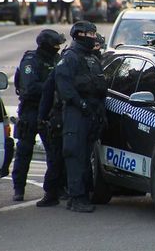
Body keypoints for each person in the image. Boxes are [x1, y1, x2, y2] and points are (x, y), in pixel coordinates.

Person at [55, 21, 107, 213]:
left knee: (85, 156)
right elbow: (65, 88)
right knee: (75, 155)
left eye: (94, 33)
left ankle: (82, 195)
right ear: (79, 35)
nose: (93, 36)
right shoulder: (70, 57)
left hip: (91, 113)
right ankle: (76, 198)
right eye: (90, 33)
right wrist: (82, 105)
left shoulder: (91, 58)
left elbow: (100, 86)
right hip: (76, 113)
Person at [12, 29, 66, 201]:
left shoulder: (57, 60)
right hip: (30, 111)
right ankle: (18, 189)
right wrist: (51, 88)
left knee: (54, 152)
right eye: (55, 45)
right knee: (24, 150)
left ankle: (54, 189)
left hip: (49, 111)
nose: (58, 48)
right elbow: (30, 88)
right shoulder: (30, 61)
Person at [36, 61, 67, 207]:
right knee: (56, 158)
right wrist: (42, 118)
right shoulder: (61, 68)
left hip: (77, 119)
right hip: (60, 120)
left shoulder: (88, 64)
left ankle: (69, 191)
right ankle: (52, 192)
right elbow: (47, 94)